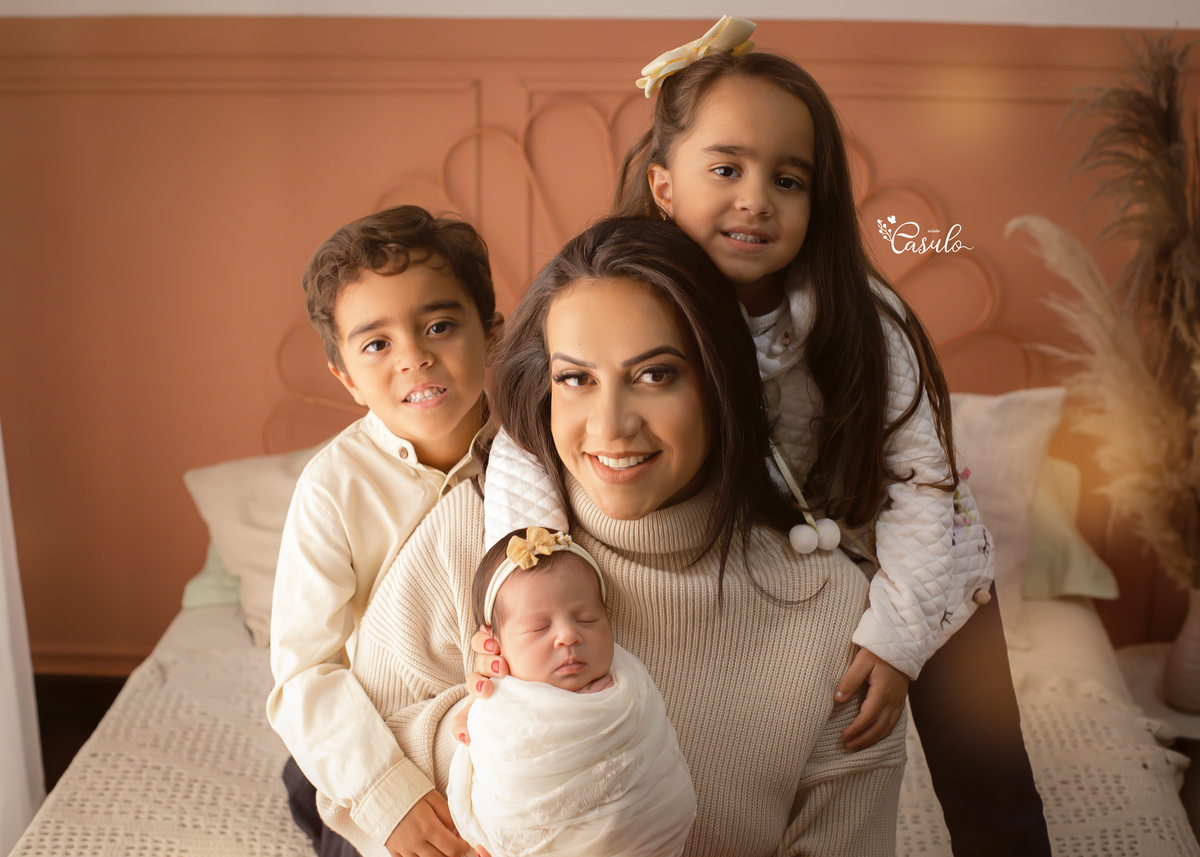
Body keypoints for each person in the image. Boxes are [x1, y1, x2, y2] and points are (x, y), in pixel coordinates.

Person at [480, 17, 1051, 857]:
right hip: (776, 564)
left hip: (915, 555)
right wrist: (533, 563)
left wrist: (898, 636)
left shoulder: (864, 318)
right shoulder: (623, 299)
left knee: (986, 772)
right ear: (663, 184)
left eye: (788, 179)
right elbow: (529, 437)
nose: (756, 198)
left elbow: (925, 483)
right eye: (726, 169)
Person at [328, 216, 908, 857]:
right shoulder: (476, 534)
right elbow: (359, 758)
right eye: (576, 379)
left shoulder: (833, 612)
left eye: (656, 374)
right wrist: (492, 729)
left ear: (719, 381)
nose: (610, 426)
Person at [267, 205, 502, 857]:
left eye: (440, 326)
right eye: (377, 344)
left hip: (491, 722)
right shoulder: (332, 487)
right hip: (381, 734)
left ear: (491, 334)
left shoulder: (538, 455)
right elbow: (304, 671)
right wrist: (388, 797)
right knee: (343, 808)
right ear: (346, 377)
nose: (415, 358)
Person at [446, 526, 696, 856]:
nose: (568, 635)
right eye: (539, 627)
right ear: (494, 643)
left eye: (587, 619)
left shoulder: (630, 687)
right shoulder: (493, 710)